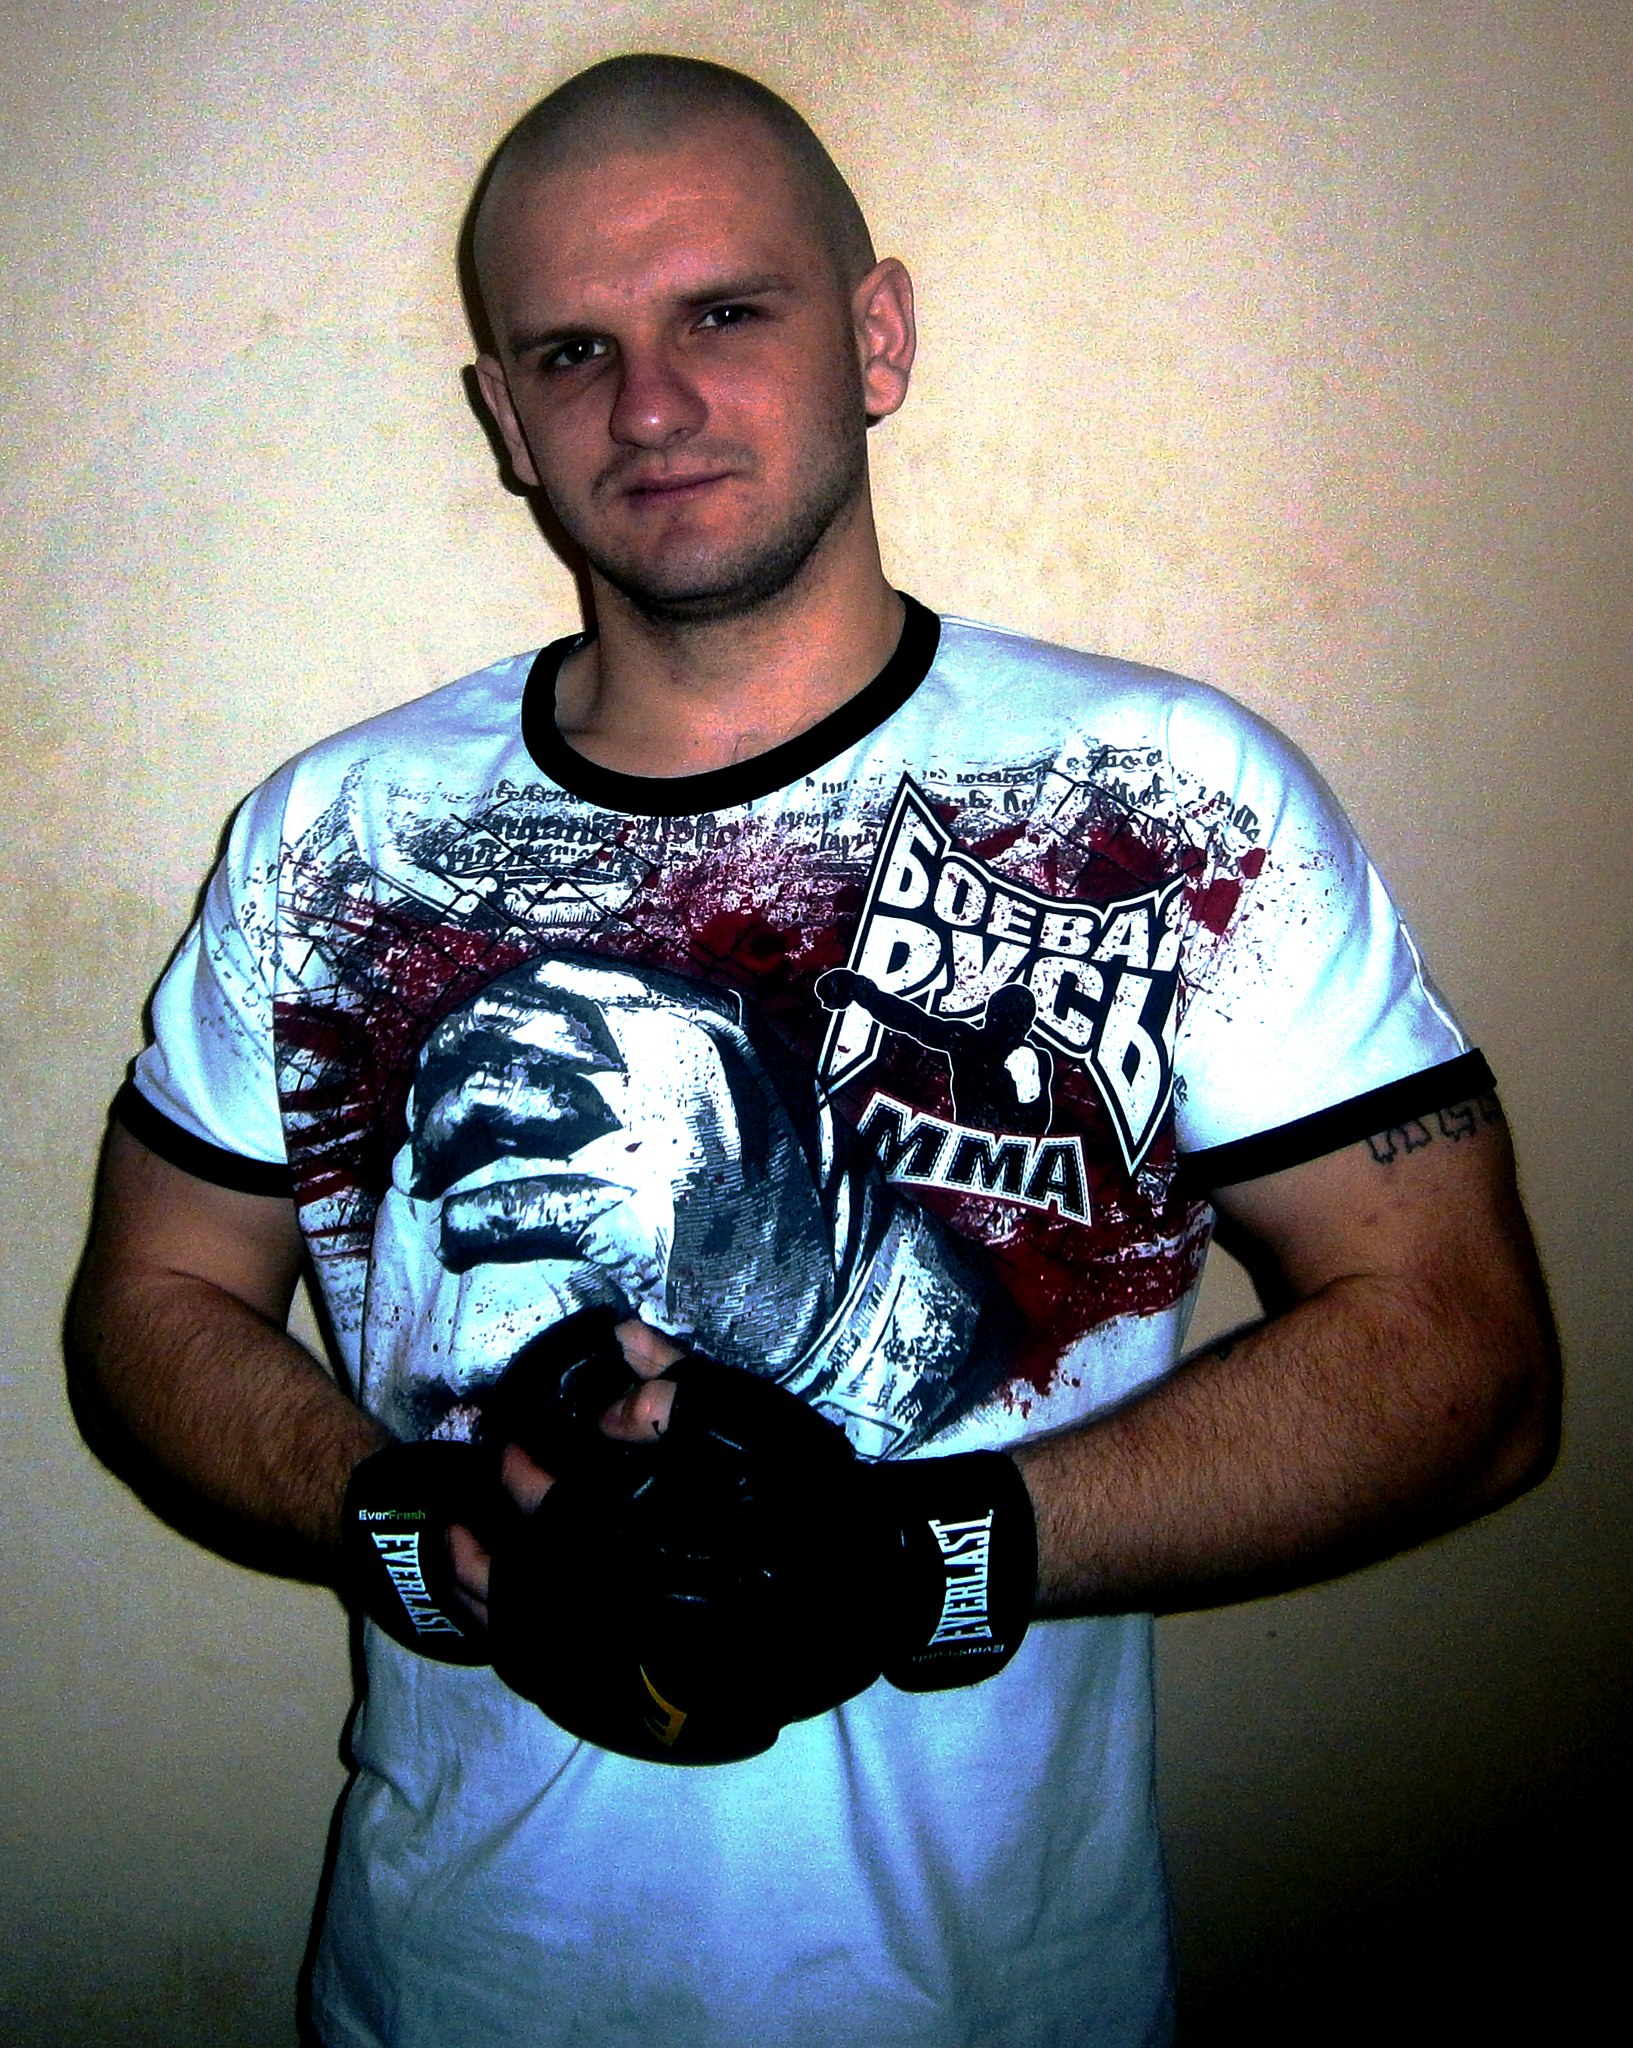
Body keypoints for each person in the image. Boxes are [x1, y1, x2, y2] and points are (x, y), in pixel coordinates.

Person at [67, 51, 1558, 2048]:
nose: (649, 404)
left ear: (875, 337)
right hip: (453, 1990)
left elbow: (1467, 1357)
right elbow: (150, 1299)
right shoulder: (331, 839)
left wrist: (918, 1554)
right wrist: (414, 1522)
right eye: (572, 351)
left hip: (986, 2001)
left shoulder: (1160, 800)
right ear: (503, 420)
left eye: (724, 313)